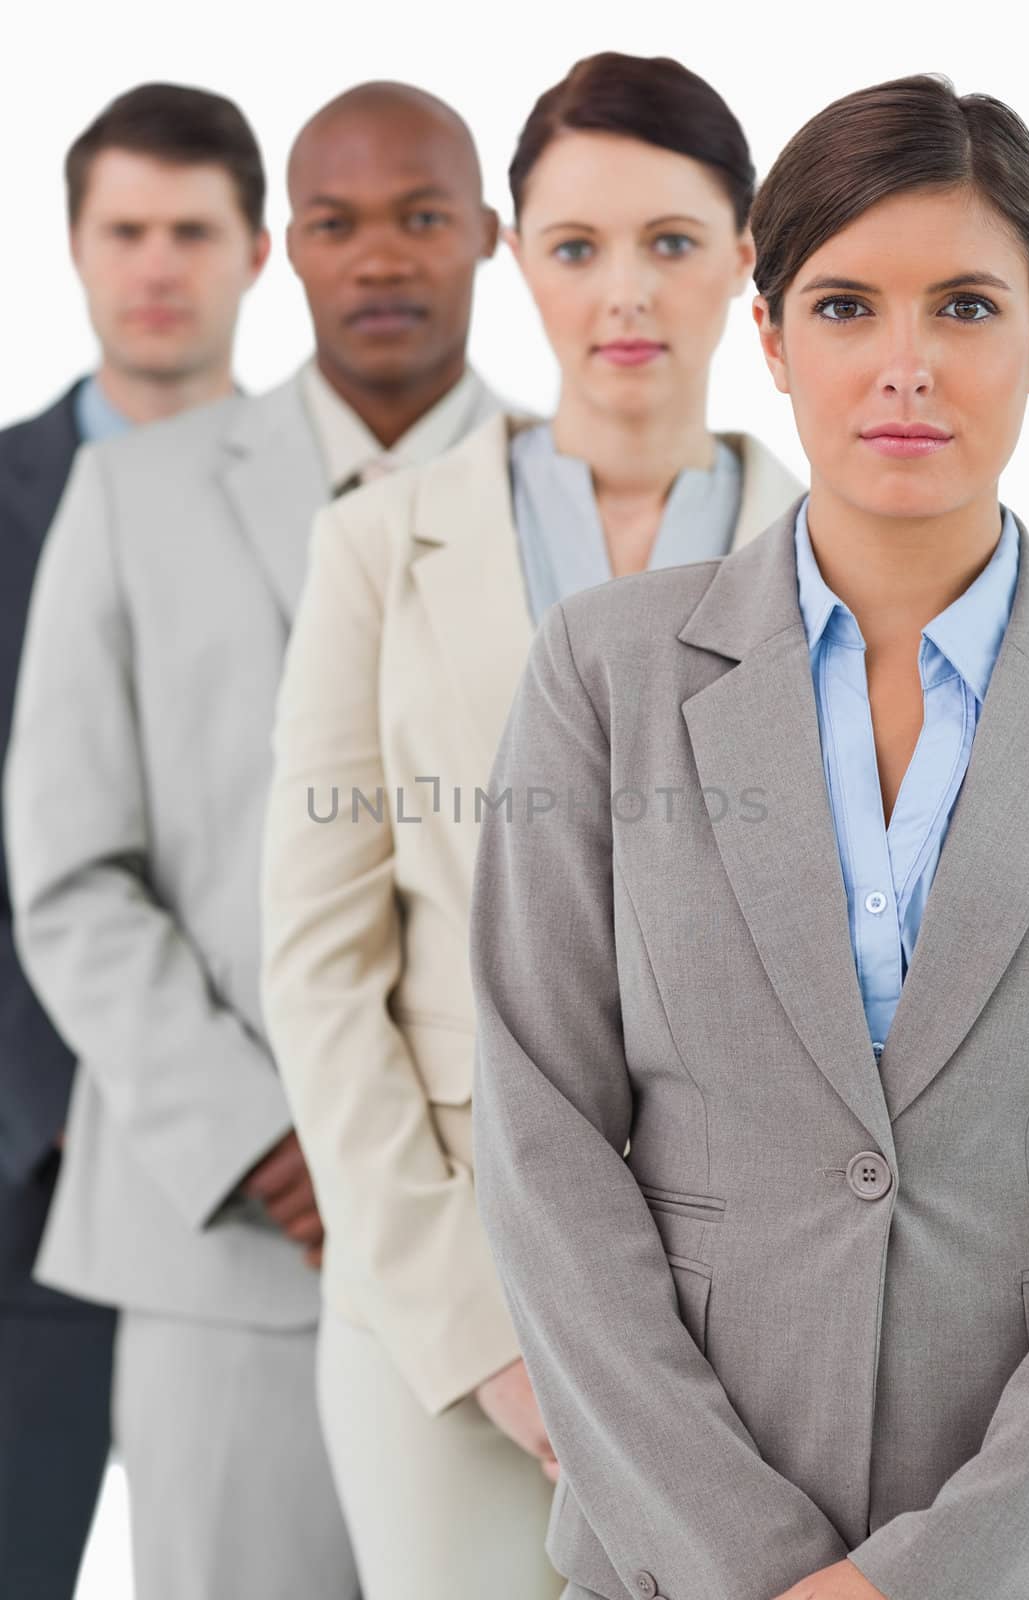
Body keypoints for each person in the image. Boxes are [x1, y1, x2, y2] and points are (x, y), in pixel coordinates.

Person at [469, 72, 1029, 1600]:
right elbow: (542, 1136)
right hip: (669, 1554)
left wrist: (931, 1575)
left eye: (968, 309)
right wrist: (750, 1568)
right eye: (850, 306)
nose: (908, 368)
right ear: (773, 338)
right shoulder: (606, 669)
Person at [259, 53, 800, 1600]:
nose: (624, 293)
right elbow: (317, 961)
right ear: (516, 257)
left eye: (673, 243)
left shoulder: (836, 555)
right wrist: (474, 1324)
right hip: (444, 1274)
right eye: (576, 248)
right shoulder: (378, 545)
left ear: (746, 255)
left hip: (747, 1302)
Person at [4, 79, 501, 1600]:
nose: (383, 260)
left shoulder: (577, 493)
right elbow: (72, 873)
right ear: (292, 249)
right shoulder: (132, 493)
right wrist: (259, 1139)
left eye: (423, 219)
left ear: (488, 236)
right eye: (341, 225)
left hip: (514, 1253)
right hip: (225, 1247)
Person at [0, 82, 268, 1598]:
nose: (157, 264)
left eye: (192, 230)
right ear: (75, 248)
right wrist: (53, 1120)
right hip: (25, 1174)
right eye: (127, 231)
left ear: (255, 252)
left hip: (280, 1200)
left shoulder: (359, 506)